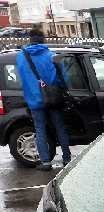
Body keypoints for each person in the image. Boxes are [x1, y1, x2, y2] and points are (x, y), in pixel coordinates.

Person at [16, 28, 71, 171]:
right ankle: (67, 158)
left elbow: (21, 79)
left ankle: (46, 162)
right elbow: (64, 78)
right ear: (43, 39)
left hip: (34, 100)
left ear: (30, 39)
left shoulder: (21, 57)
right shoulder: (51, 56)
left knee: (40, 130)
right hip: (53, 98)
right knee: (60, 128)